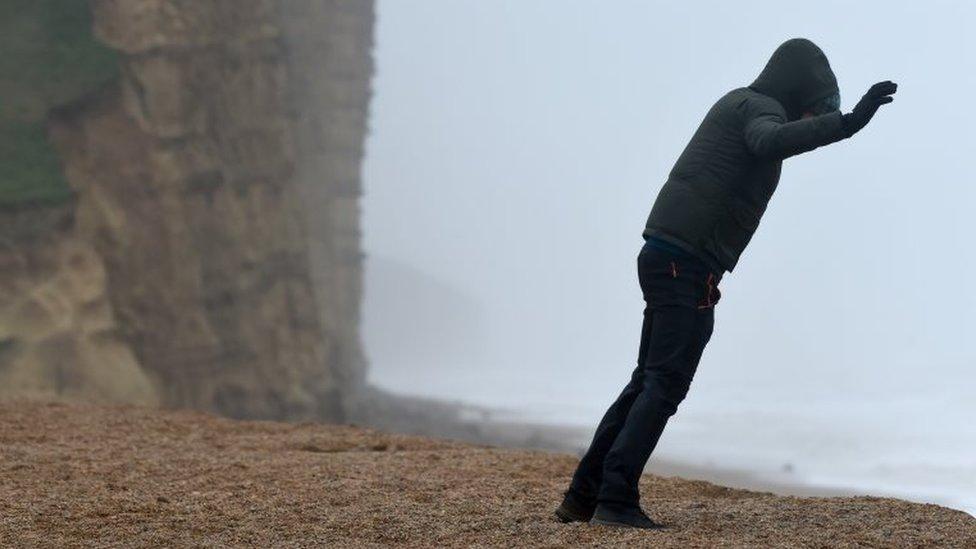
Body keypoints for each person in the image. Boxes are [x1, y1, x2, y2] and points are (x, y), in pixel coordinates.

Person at [554, 38, 897, 529]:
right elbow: (767, 140)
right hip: (684, 264)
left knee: (646, 382)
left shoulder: (741, 102)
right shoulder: (758, 110)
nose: (804, 126)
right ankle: (615, 499)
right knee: (663, 385)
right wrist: (845, 125)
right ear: (800, 97)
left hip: (667, 256)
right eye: (810, 114)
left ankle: (583, 497)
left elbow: (770, 143)